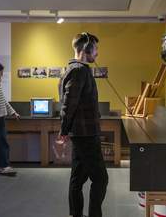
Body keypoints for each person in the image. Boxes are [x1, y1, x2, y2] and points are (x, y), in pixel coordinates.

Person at [58, 32, 108, 217]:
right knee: (101, 179)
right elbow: (68, 104)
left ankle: (76, 214)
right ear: (86, 49)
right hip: (85, 134)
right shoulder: (79, 70)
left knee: (77, 179)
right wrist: (64, 129)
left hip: (83, 133)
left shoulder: (79, 70)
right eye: (95, 49)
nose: (97, 53)